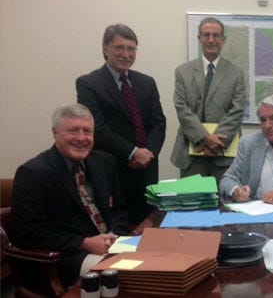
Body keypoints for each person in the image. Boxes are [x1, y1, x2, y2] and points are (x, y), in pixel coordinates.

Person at [11, 103, 129, 289]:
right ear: (55, 132)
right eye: (73, 131)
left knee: (160, 265)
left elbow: (119, 209)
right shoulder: (33, 172)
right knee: (128, 279)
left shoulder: (105, 162)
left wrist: (114, 236)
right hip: (65, 258)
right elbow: (26, 232)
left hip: (113, 246)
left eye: (87, 131)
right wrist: (84, 243)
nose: (81, 138)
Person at [76, 24, 166, 225]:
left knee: (149, 229)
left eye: (131, 48)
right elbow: (98, 128)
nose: (126, 54)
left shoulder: (147, 82)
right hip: (114, 171)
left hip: (147, 171)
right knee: (119, 233)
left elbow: (159, 123)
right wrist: (134, 152)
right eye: (120, 48)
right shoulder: (89, 84)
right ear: (105, 49)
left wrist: (148, 153)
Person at [171, 17, 245, 183]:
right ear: (199, 39)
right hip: (191, 151)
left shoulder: (236, 73)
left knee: (224, 204)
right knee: (192, 204)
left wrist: (216, 142)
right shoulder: (183, 72)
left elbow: (237, 110)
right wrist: (204, 138)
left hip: (224, 153)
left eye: (216, 35)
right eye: (206, 35)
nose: (211, 40)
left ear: (223, 40)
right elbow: (182, 108)